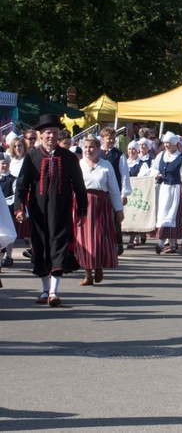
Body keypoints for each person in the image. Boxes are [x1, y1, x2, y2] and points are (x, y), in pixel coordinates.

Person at [13, 114, 88, 307]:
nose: (51, 136)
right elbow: (22, 185)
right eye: (47, 133)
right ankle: (45, 290)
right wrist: (19, 207)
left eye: (54, 133)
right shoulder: (32, 157)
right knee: (41, 247)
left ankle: (54, 291)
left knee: (58, 246)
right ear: (41, 135)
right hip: (38, 211)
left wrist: (82, 209)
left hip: (61, 210)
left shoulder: (69, 157)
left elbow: (79, 185)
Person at [75, 137, 124, 286]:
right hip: (83, 203)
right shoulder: (79, 164)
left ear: (98, 149)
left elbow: (114, 189)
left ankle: (99, 267)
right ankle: (87, 273)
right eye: (86, 147)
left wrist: (119, 209)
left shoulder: (106, 165)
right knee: (84, 239)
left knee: (99, 238)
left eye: (91, 147)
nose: (88, 150)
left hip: (101, 204)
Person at [149, 132, 182, 254]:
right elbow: (153, 168)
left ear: (175, 144)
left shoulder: (181, 159)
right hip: (162, 189)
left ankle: (162, 243)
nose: (166, 145)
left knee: (172, 216)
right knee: (163, 215)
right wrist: (155, 174)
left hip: (175, 189)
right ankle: (171, 244)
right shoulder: (161, 156)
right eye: (165, 143)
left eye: (168, 143)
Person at [98, 127, 130, 256]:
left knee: (115, 218)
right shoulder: (97, 153)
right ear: (103, 138)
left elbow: (124, 175)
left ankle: (118, 243)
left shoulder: (119, 155)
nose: (111, 140)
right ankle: (102, 243)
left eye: (112, 138)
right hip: (100, 190)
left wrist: (124, 193)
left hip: (114, 190)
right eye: (108, 138)